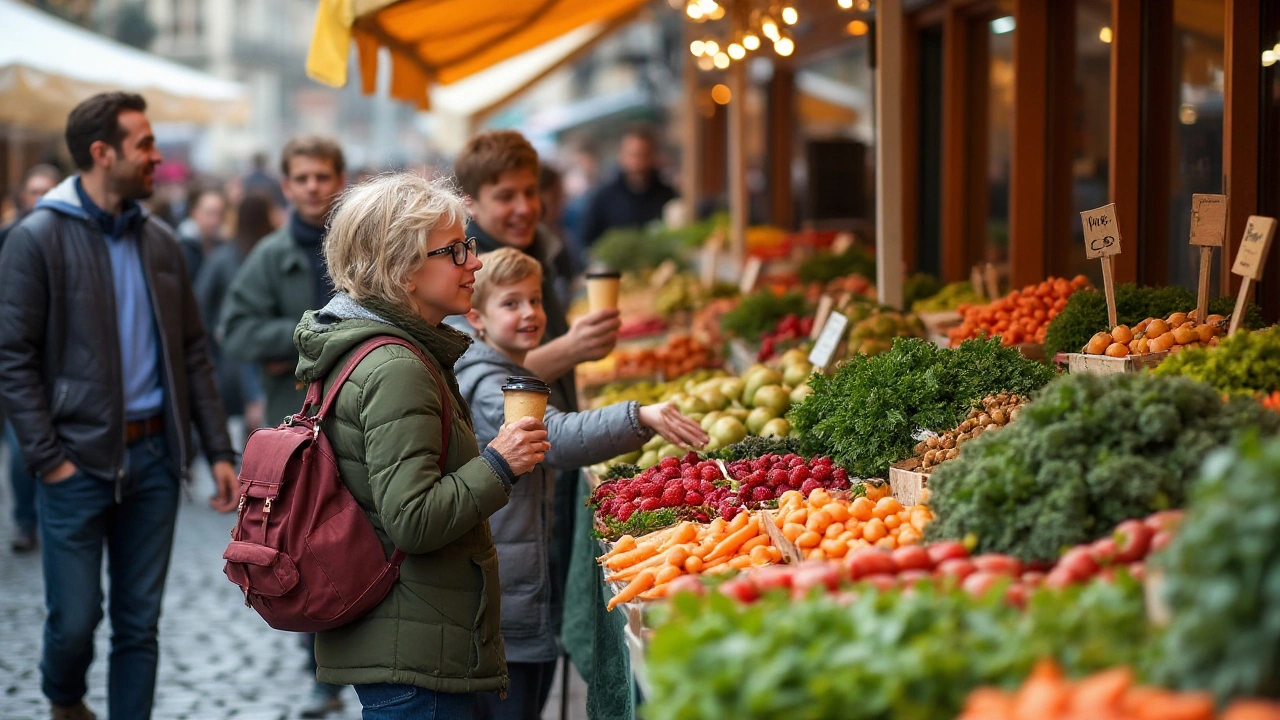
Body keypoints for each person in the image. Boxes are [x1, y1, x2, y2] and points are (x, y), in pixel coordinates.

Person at [0, 91, 238, 720]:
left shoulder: (160, 241)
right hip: (74, 460)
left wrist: (217, 449)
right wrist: (48, 460)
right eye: (145, 144)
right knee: (74, 620)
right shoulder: (36, 238)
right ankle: (63, 697)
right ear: (103, 154)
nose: (157, 156)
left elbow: (192, 352)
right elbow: (12, 358)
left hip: (156, 459)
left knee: (139, 625)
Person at [294, 172, 551, 719]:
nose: (474, 263)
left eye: (470, 246)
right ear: (403, 269)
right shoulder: (396, 367)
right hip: (413, 655)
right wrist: (499, 462)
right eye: (455, 250)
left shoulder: (397, 352)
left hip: (413, 637)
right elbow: (413, 519)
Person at [456, 249, 708, 719]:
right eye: (511, 303)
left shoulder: (504, 372)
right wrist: (639, 415)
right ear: (477, 317)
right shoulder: (491, 385)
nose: (529, 312)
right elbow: (557, 438)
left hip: (515, 585)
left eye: (535, 299)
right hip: (505, 602)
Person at [218, 135, 348, 718]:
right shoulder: (271, 255)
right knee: (309, 539)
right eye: (302, 178)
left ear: (339, 179)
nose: (314, 187)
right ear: (287, 184)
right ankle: (320, 665)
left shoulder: (358, 244)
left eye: (323, 176)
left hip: (361, 411)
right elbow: (236, 331)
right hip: (298, 423)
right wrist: (306, 337)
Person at [1, 163, 61, 553]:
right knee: (22, 445)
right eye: (33, 191)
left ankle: (49, 519)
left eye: (46, 190)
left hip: (60, 366)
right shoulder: (10, 237)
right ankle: (25, 520)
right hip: (19, 362)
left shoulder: (69, 239)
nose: (38, 198)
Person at [194, 191, 277, 438]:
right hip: (256, 366)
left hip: (230, 366)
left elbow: (200, 308)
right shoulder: (267, 257)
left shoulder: (225, 257)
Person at [579, 124, 678, 247]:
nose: (638, 162)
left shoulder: (667, 194)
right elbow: (587, 241)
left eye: (644, 155)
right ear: (621, 155)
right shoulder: (603, 197)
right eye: (633, 155)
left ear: (653, 156)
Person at [176, 186, 227, 281]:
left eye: (220, 214)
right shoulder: (182, 247)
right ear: (194, 212)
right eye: (210, 213)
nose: (215, 220)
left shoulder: (224, 245)